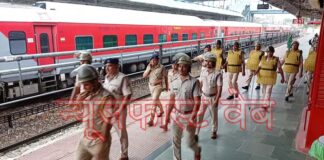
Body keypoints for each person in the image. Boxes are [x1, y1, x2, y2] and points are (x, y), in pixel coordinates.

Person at [165, 55, 202, 160]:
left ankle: (197, 150)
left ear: (189, 68)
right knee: (175, 140)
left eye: (184, 66)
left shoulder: (194, 82)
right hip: (177, 115)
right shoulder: (174, 81)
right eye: (179, 66)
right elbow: (171, 100)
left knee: (189, 142)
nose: (181, 68)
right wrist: (167, 115)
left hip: (190, 115)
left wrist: (193, 116)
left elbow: (197, 102)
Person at [74, 65, 115, 160]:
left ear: (96, 81)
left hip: (98, 139)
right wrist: (79, 102)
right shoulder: (86, 94)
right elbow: (80, 113)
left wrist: (102, 140)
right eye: (83, 84)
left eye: (87, 84)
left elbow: (107, 121)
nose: (84, 87)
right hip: (85, 137)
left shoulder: (106, 97)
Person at [103, 58, 132, 160]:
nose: (107, 68)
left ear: (117, 66)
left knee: (121, 133)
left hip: (118, 111)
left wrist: (119, 110)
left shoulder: (122, 78)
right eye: (106, 66)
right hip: (107, 111)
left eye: (109, 65)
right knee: (104, 132)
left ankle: (124, 155)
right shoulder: (106, 77)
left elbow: (127, 96)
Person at [196, 53, 222, 139]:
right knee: (199, 114)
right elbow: (200, 83)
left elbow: (219, 88)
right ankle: (196, 133)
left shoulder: (218, 74)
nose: (208, 63)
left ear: (214, 63)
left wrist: (217, 100)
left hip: (213, 97)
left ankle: (214, 131)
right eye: (207, 61)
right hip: (203, 96)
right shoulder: (203, 72)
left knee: (213, 116)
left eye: (210, 62)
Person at [143, 53, 168, 126]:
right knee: (156, 100)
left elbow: (165, 77)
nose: (154, 61)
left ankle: (151, 119)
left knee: (153, 102)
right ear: (151, 61)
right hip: (151, 86)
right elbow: (144, 76)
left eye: (155, 60)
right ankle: (162, 111)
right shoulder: (149, 66)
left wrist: (166, 86)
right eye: (153, 60)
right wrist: (149, 69)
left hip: (158, 87)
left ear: (158, 60)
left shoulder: (162, 67)